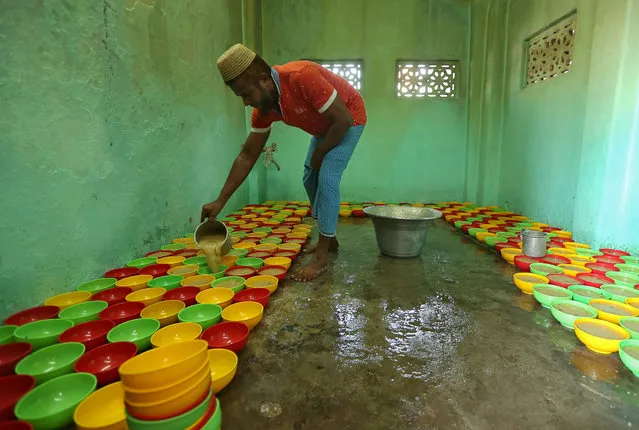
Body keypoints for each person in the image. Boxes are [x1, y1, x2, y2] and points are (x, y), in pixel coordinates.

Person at [201, 43, 367, 281]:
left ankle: (322, 256)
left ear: (264, 79)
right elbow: (248, 154)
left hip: (349, 117)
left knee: (327, 174)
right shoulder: (265, 108)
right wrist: (220, 201)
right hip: (325, 127)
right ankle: (329, 240)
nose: (246, 103)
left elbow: (342, 120)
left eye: (246, 94)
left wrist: (320, 154)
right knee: (309, 177)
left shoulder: (301, 77)